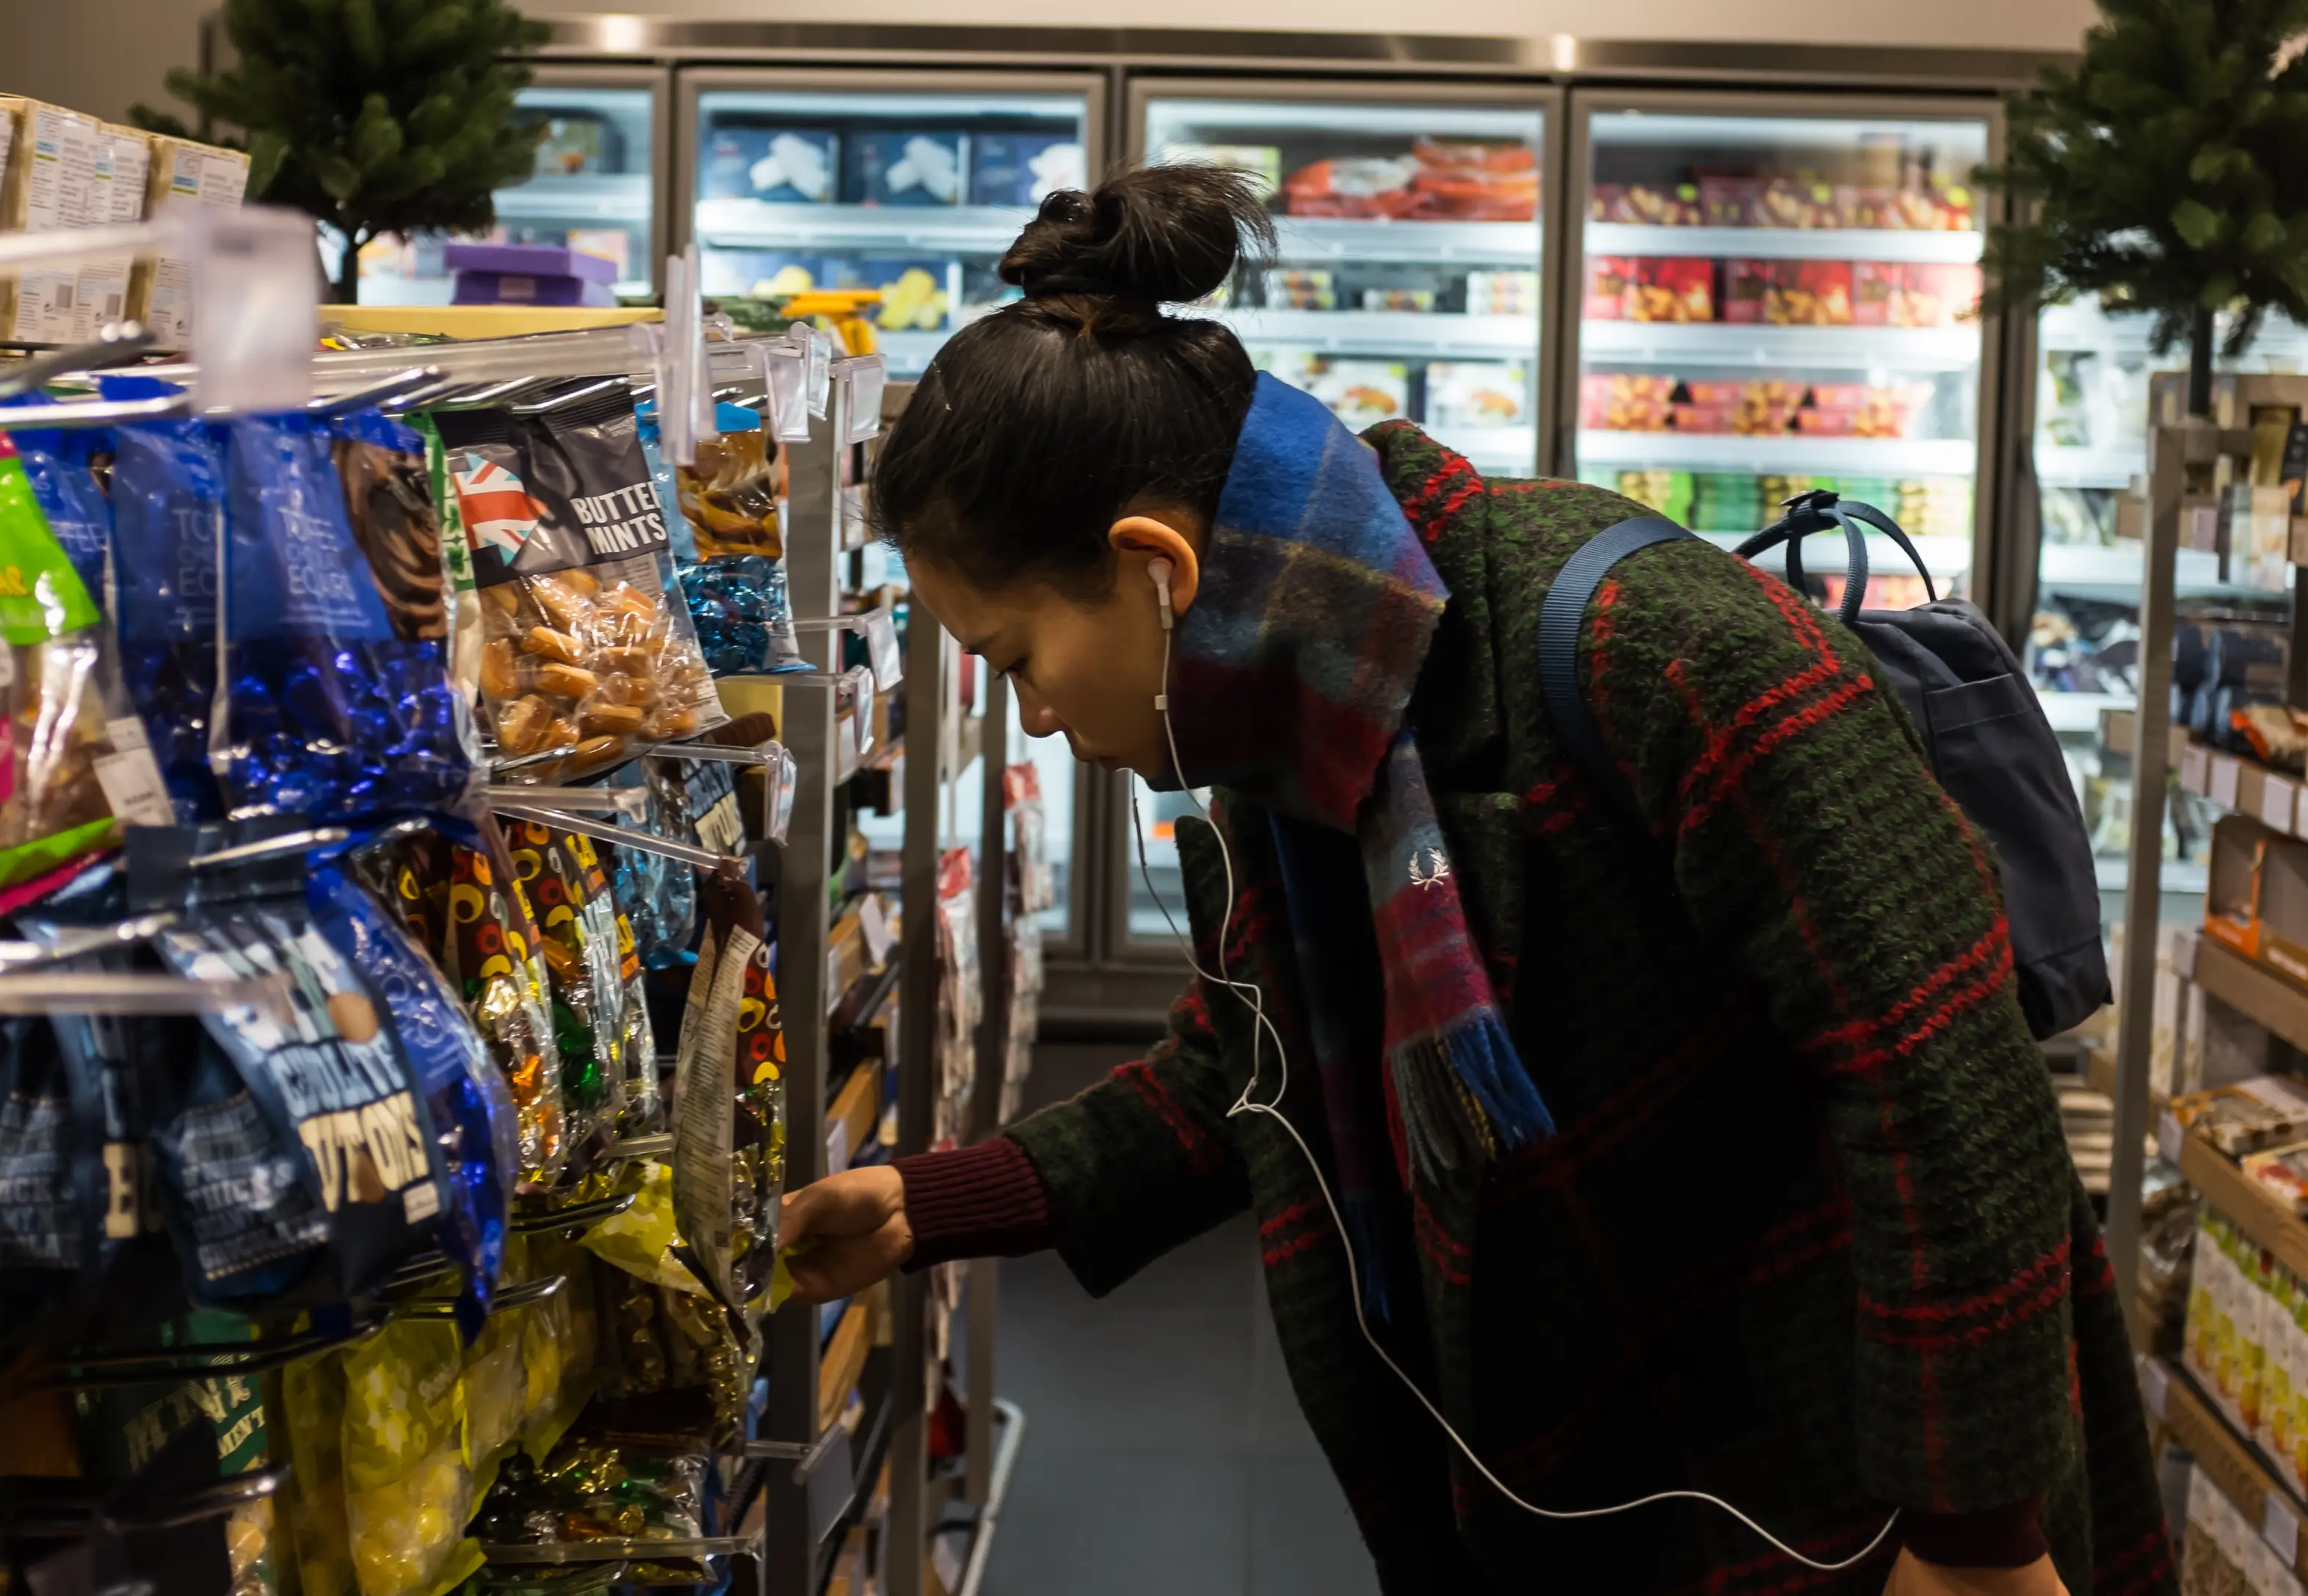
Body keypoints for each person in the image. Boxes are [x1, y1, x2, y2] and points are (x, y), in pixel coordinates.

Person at [780, 165, 2169, 1596]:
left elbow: (1940, 1066)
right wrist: (928, 1202)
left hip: (1847, 1483)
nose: (1033, 717)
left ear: (1154, 564)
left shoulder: (1649, 645)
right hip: (1611, 1466)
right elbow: (1245, 1075)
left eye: (1016, 659)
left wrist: (1978, 1535)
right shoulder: (1295, 697)